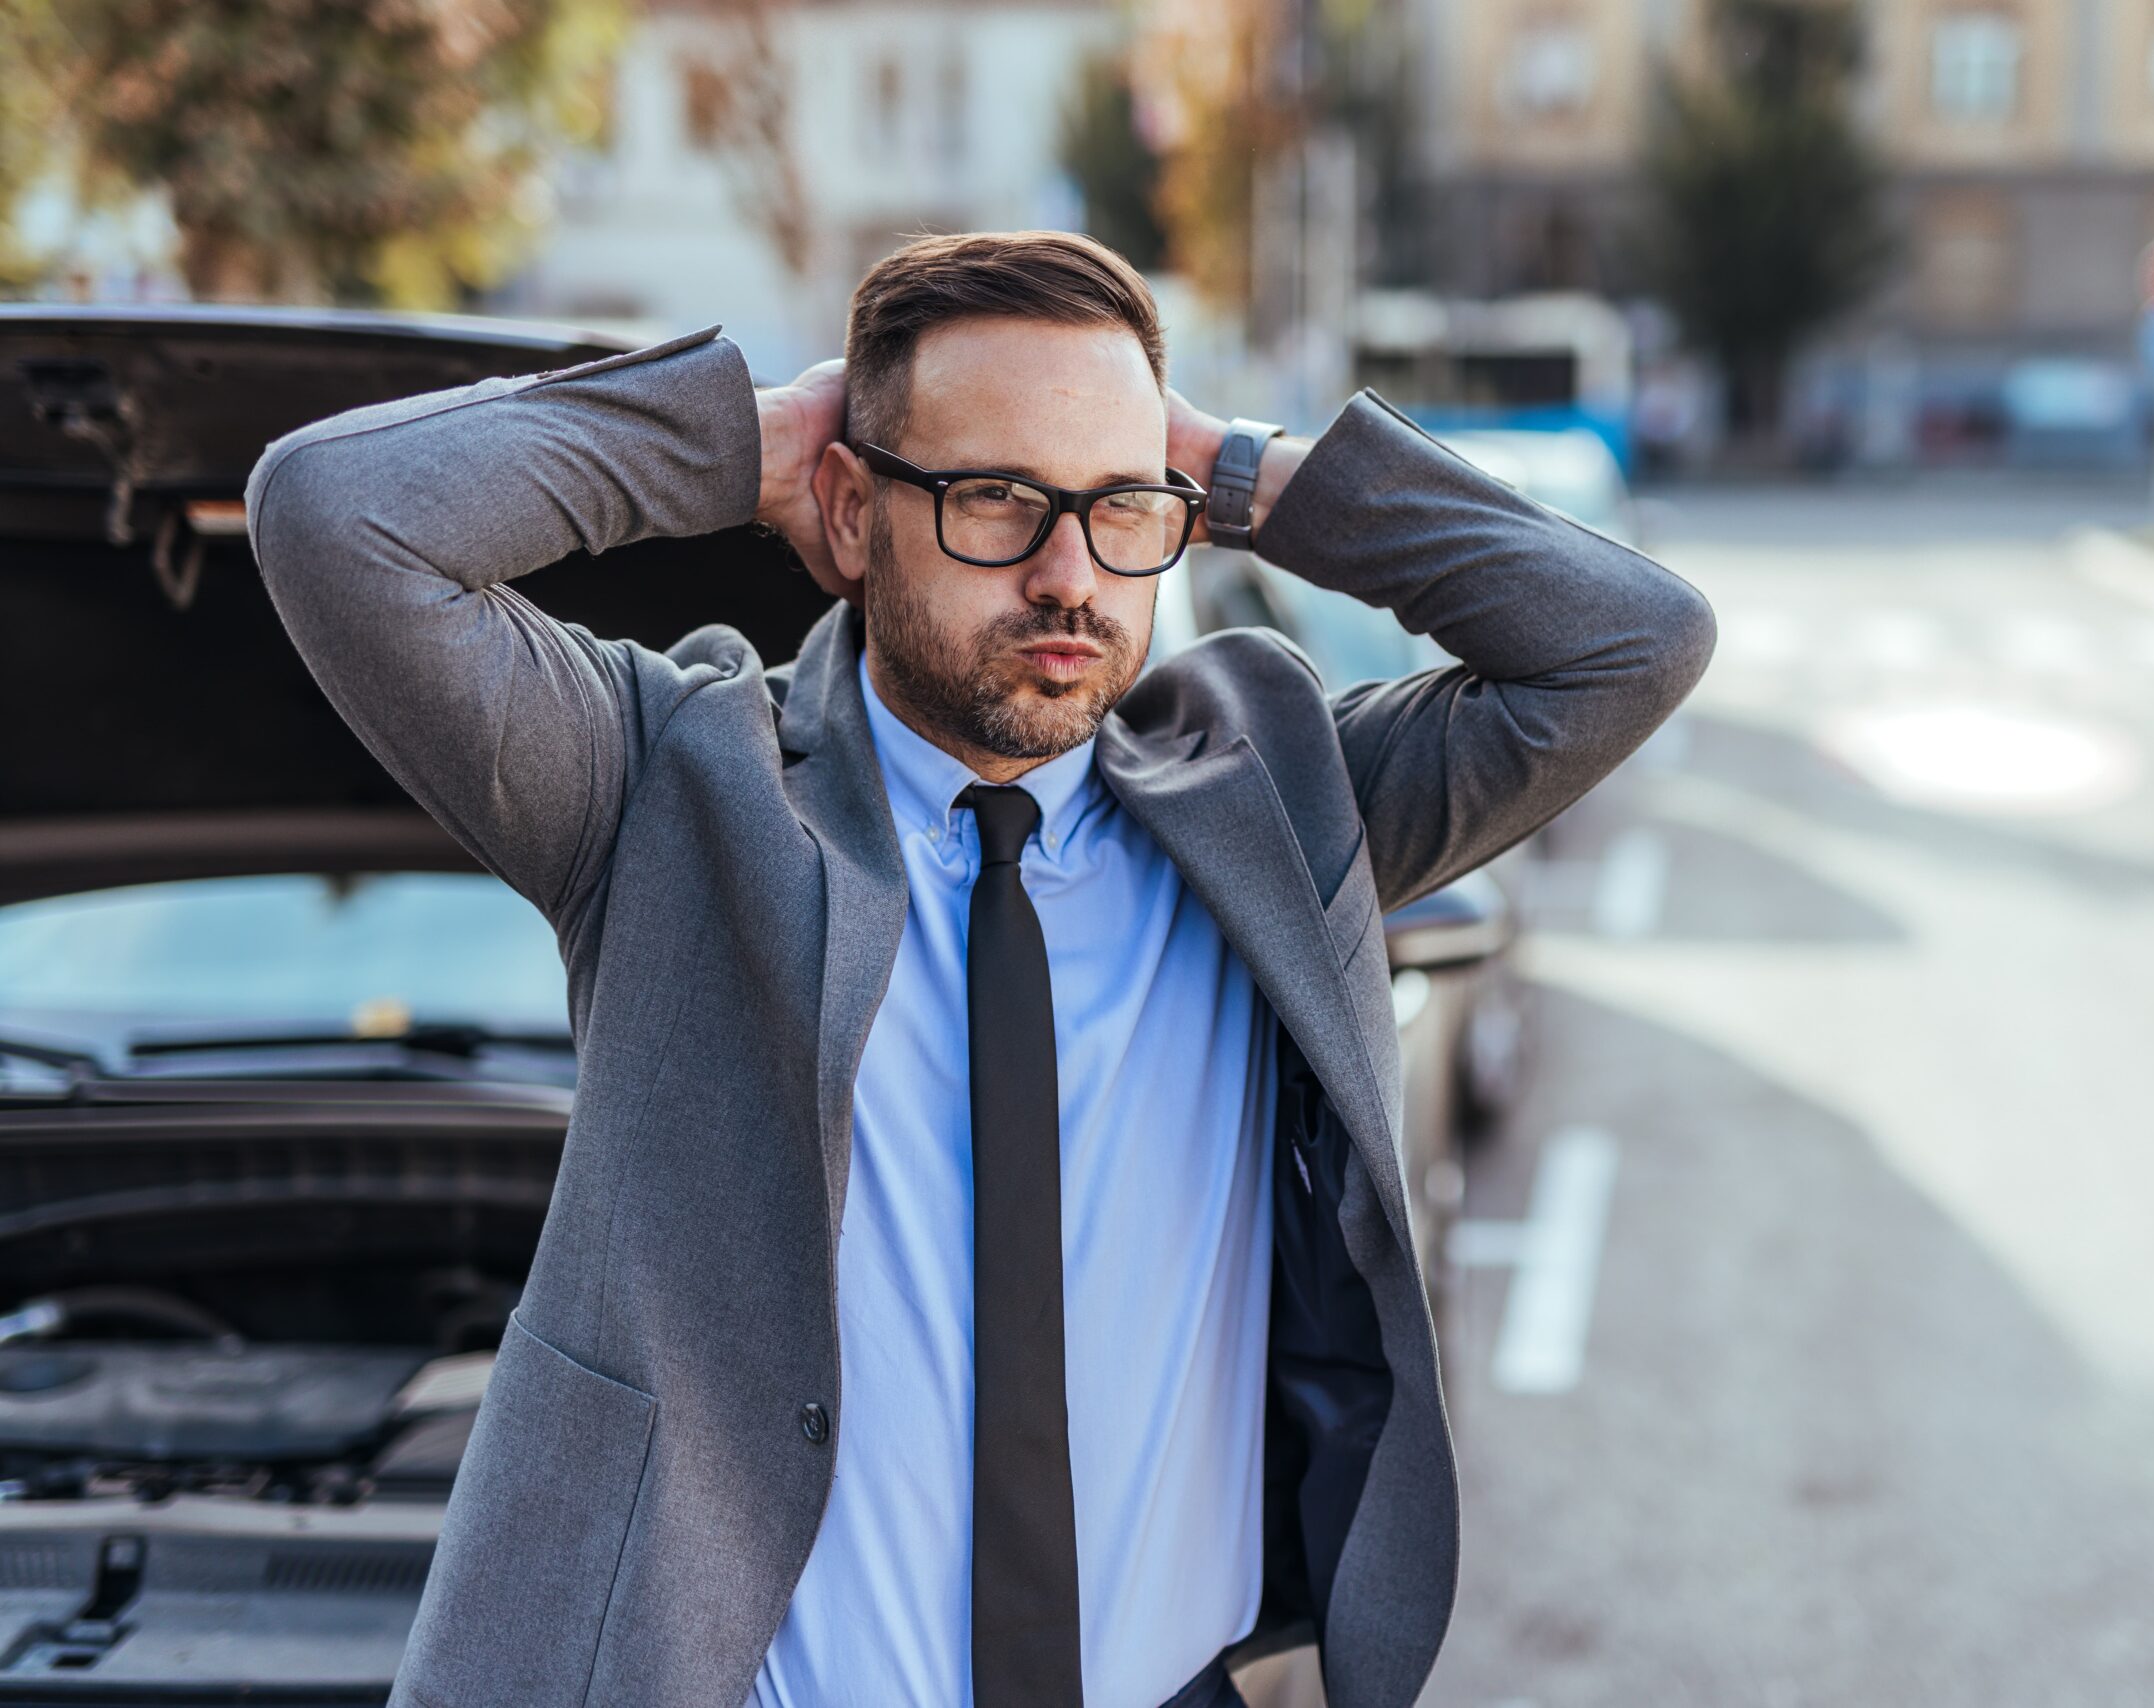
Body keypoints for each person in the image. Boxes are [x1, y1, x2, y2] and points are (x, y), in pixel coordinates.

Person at [245, 230, 1713, 1708]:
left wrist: (1240, 471)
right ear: (851, 508)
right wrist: (745, 440)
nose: (1070, 577)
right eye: (998, 499)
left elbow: (1633, 640)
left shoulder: (1277, 807)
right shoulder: (669, 789)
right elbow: (335, 516)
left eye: (1120, 505)